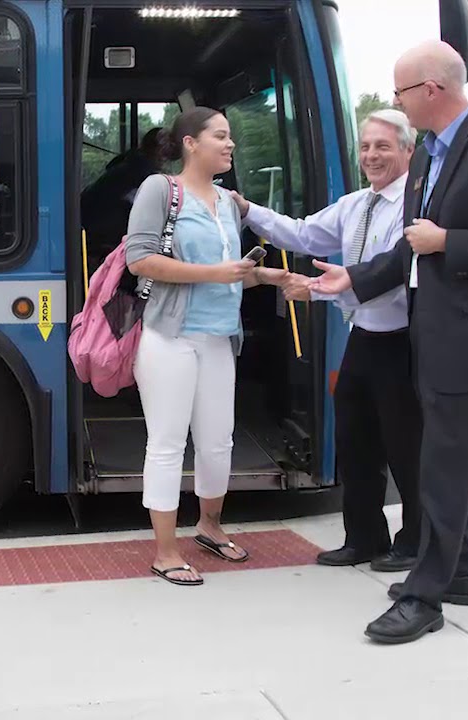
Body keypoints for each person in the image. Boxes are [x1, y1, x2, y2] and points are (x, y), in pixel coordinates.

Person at [308, 40, 468, 643]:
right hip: (433, 335)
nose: (396, 102)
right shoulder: (428, 160)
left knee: (440, 464)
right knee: (457, 460)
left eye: (400, 92)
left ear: (432, 91)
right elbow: (408, 247)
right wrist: (353, 279)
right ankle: (462, 572)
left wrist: (451, 243)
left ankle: (426, 594)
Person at [231, 109, 424, 573]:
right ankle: (364, 539)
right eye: (365, 147)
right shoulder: (355, 204)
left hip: (402, 342)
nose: (371, 156)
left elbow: (397, 274)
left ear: (408, 151)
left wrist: (315, 290)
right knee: (355, 444)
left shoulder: (415, 207)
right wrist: (246, 209)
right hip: (363, 337)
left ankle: (416, 541)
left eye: (383, 146)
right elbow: (300, 233)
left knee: (406, 449)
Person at [124, 107, 289, 586]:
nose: (230, 144)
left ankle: (210, 526)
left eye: (231, 136)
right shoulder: (161, 190)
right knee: (169, 443)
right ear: (190, 144)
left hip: (220, 337)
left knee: (219, 441)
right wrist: (217, 273)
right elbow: (141, 260)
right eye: (220, 136)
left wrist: (271, 276)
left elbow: (234, 272)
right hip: (170, 338)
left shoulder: (227, 202)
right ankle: (165, 550)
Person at [82, 127, 167, 269]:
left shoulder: (128, 164)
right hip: (102, 234)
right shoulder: (140, 174)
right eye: (168, 145)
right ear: (159, 149)